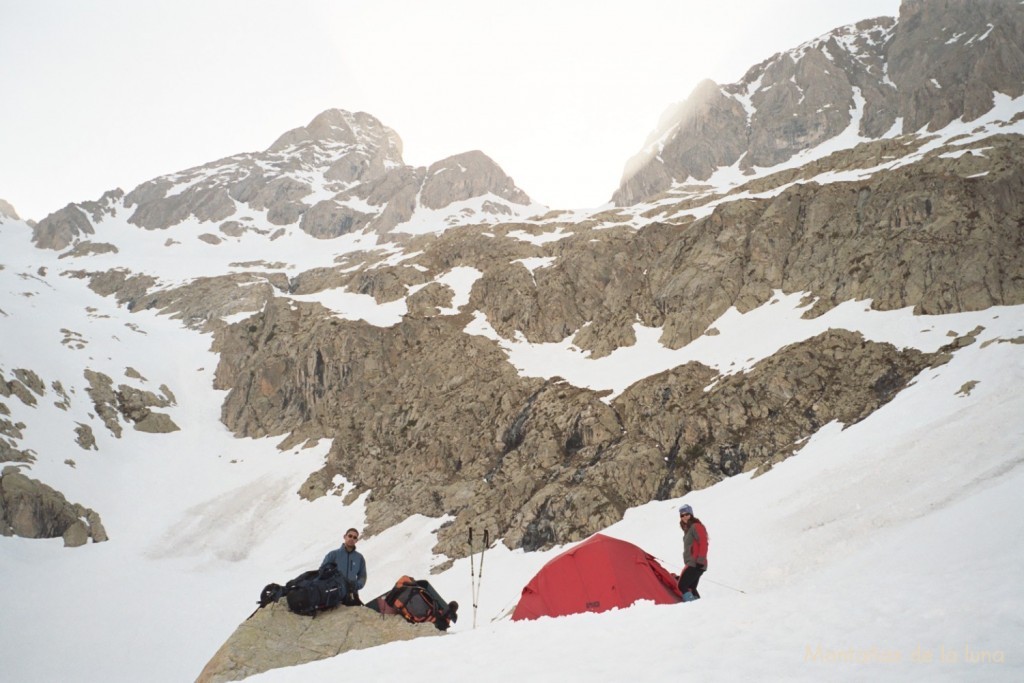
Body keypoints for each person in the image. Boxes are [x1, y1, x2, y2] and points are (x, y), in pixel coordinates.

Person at [321, 527, 367, 606]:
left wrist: (356, 585)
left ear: (356, 540)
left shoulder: (359, 558)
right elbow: (322, 572)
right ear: (345, 536)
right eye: (350, 536)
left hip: (352, 595)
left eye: (354, 537)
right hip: (334, 594)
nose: (352, 538)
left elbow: (362, 575)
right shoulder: (333, 554)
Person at [677, 504, 708, 602]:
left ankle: (691, 606)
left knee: (682, 585)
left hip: (696, 562)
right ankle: (699, 606)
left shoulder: (696, 526)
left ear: (691, 514)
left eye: (687, 514)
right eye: (682, 515)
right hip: (693, 562)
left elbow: (703, 542)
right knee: (691, 587)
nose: (684, 517)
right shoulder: (688, 529)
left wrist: (700, 559)